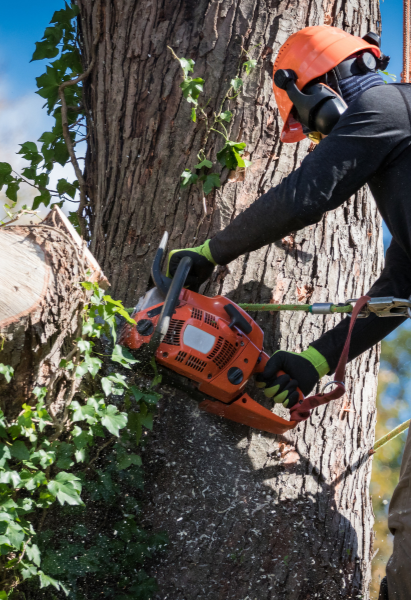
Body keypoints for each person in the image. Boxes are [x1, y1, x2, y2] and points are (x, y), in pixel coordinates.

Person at [166, 26, 410, 600]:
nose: (321, 139)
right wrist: (315, 359)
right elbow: (402, 285)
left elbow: (309, 194)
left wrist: (210, 252)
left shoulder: (386, 106)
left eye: (316, 126)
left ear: (318, 91)